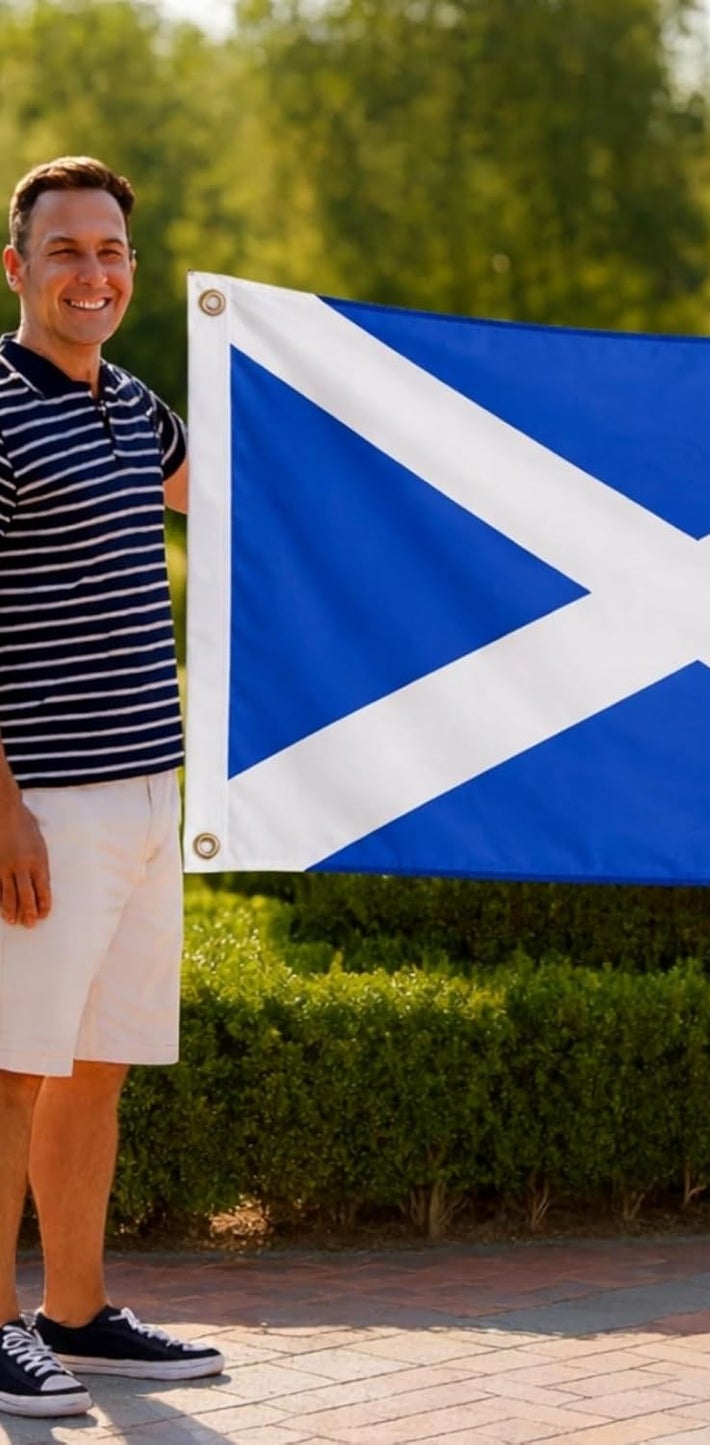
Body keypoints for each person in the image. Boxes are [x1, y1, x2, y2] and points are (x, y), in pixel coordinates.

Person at [0, 157, 223, 1419]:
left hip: (147, 791)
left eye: (113, 252)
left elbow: (249, 498)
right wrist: (3, 809)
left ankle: (75, 1311)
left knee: (94, 1065)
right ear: (19, 267)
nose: (95, 272)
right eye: (68, 250)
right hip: (44, 802)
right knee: (10, 1066)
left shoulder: (137, 408)